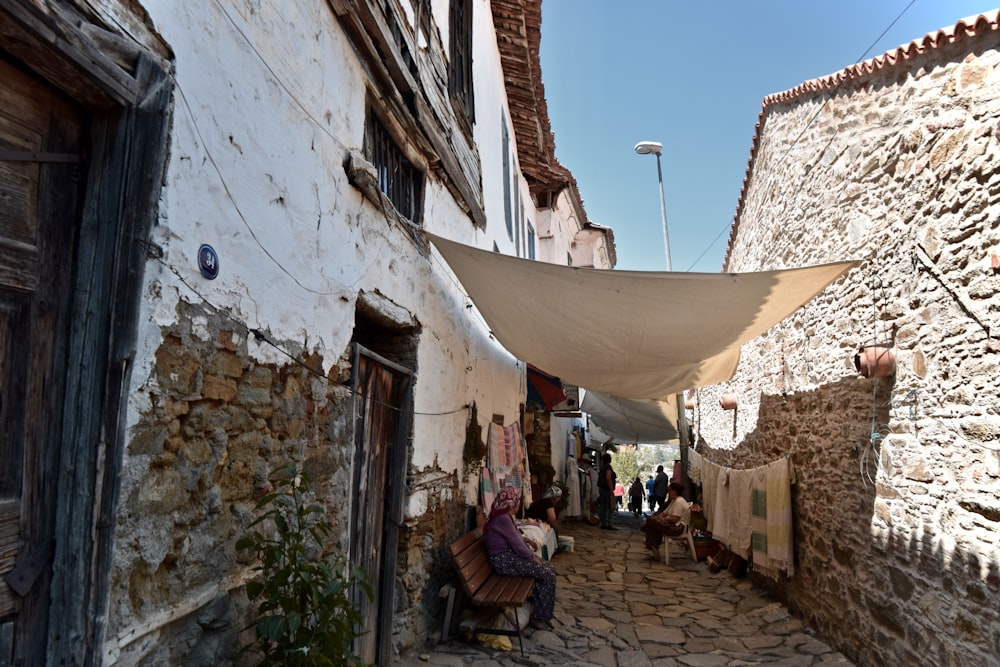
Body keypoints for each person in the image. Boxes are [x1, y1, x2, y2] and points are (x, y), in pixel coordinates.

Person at [483, 485, 557, 629]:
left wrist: (529, 546)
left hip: (506, 558)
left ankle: (541, 612)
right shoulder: (503, 519)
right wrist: (532, 557)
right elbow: (517, 545)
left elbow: (516, 538)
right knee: (547, 572)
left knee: (546, 569)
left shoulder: (503, 517)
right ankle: (540, 617)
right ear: (514, 504)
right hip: (504, 561)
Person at [641, 482, 690, 561]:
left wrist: (662, 519)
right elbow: (664, 513)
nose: (668, 492)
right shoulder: (674, 501)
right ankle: (655, 552)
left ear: (674, 491)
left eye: (669, 490)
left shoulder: (679, 502)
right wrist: (659, 518)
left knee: (650, 521)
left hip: (676, 528)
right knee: (651, 525)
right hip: (671, 524)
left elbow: (674, 519)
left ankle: (655, 551)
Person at [597, 453, 616, 530]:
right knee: (610, 506)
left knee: (603, 506)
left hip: (601, 488)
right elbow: (608, 477)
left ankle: (603, 523)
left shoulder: (602, 467)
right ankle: (609, 523)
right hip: (606, 489)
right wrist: (611, 488)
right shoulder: (608, 467)